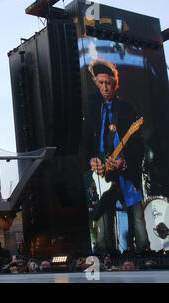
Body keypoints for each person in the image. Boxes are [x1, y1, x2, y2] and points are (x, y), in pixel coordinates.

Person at [85, 59, 150, 256]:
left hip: (125, 172)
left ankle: (143, 251)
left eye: (109, 83)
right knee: (105, 215)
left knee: (136, 215)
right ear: (97, 83)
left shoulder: (127, 108)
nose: (105, 87)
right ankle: (106, 253)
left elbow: (139, 145)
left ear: (115, 84)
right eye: (101, 83)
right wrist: (91, 160)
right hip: (103, 173)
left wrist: (125, 162)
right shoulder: (92, 108)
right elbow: (86, 140)